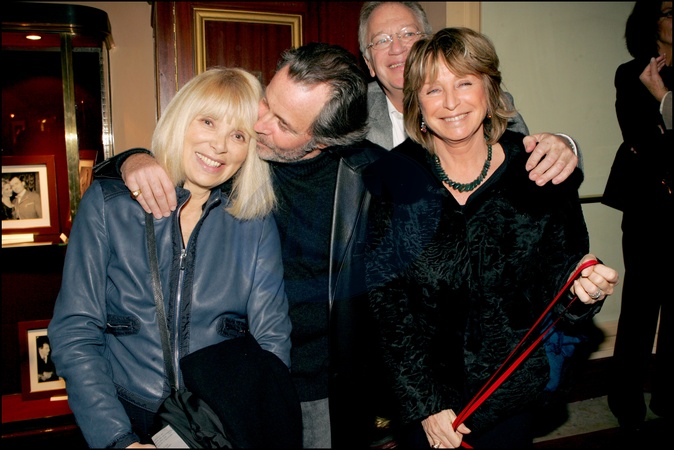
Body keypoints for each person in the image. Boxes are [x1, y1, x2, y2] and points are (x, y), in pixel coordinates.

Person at [95, 43, 617, 448]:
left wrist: (563, 149)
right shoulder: (237, 154)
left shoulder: (381, 176)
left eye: (282, 123)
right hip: (228, 374)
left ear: (323, 140)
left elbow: (478, 220)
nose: (256, 125)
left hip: (326, 384)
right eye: (266, 102)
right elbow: (177, 155)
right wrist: (128, 160)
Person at [362, 27, 620, 449]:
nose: (451, 102)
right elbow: (386, 304)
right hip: (426, 400)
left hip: (510, 396)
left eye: (464, 83)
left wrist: (586, 291)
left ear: (490, 89)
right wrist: (426, 405)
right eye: (433, 90)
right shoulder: (395, 178)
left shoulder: (539, 169)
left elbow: (562, 282)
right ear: (417, 105)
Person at [48, 67, 294, 449]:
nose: (219, 145)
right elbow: (76, 331)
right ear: (181, 119)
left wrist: (243, 422)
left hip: (216, 425)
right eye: (208, 121)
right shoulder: (110, 205)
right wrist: (117, 439)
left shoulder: (255, 222)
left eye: (238, 135)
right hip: (124, 415)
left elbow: (272, 340)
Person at [358, 2, 582, 186]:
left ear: (429, 44)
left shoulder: (486, 102)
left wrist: (564, 146)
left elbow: (533, 164)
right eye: (381, 40)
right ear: (369, 63)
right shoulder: (352, 114)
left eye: (408, 33)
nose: (397, 48)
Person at [604, 1, 673, 433]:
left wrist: (665, 103)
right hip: (650, 205)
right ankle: (625, 397)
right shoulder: (631, 73)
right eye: (669, 9)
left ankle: (668, 395)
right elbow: (644, 141)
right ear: (651, 21)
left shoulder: (658, 85)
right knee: (641, 304)